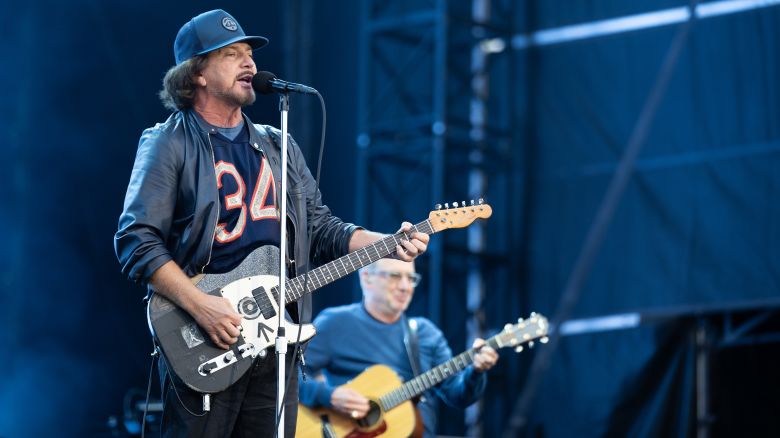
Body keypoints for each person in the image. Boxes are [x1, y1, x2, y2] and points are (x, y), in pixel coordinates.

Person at [113, 9, 429, 438]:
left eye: (250, 53)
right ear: (197, 74)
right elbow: (136, 242)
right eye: (231, 54)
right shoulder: (169, 142)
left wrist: (386, 242)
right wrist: (200, 304)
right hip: (206, 333)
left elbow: (320, 227)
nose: (250, 63)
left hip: (277, 340)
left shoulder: (278, 144)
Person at [298, 258, 498, 437]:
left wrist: (476, 371)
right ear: (366, 278)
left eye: (411, 278)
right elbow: (288, 377)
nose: (405, 286)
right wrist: (329, 396)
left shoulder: (426, 333)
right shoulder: (335, 323)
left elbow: (458, 395)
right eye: (395, 276)